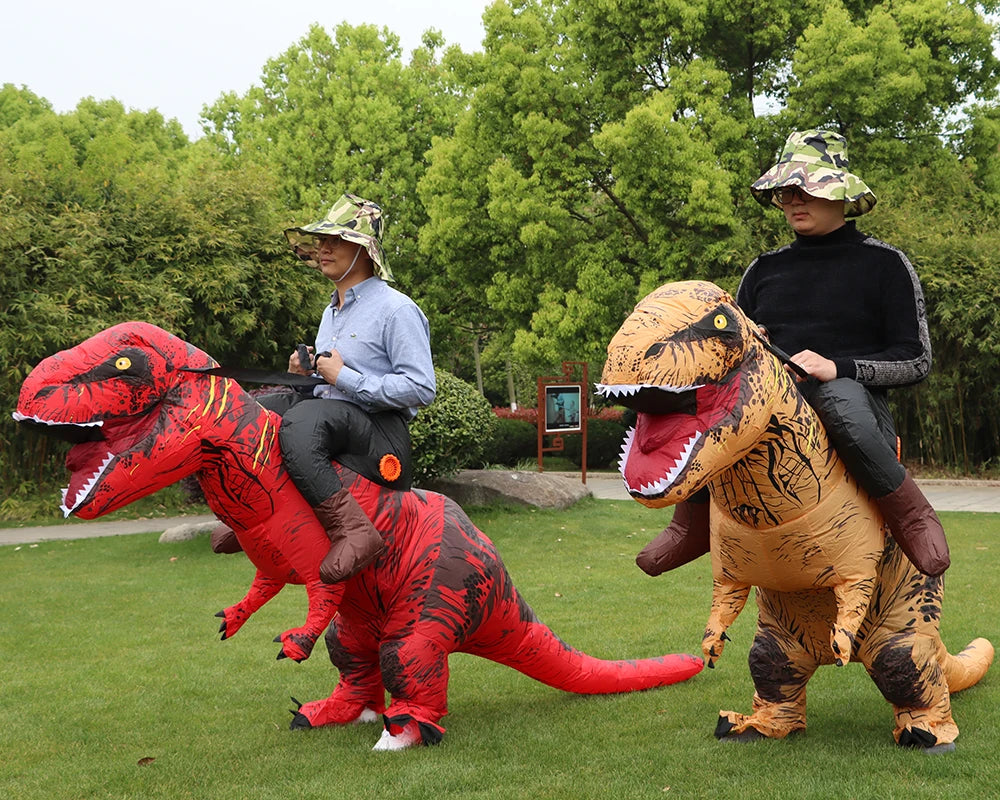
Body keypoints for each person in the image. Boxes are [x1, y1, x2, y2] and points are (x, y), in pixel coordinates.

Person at [637, 129, 950, 578]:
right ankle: (692, 522)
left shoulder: (886, 264)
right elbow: (728, 350)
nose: (793, 200)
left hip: (852, 404)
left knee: (840, 399)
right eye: (786, 191)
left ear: (839, 193)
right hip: (770, 396)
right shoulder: (764, 268)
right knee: (704, 394)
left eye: (806, 189)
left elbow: (916, 359)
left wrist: (836, 368)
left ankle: (910, 513)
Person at [211, 193, 436, 584]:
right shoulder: (331, 309)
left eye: (337, 240)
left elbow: (421, 387)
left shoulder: (397, 309)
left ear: (365, 251)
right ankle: (246, 513)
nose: (323, 248)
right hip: (335, 421)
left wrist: (343, 377)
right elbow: (327, 389)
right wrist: (304, 376)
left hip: (381, 435)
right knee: (254, 408)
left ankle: (356, 532)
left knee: (302, 424)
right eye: (321, 240)